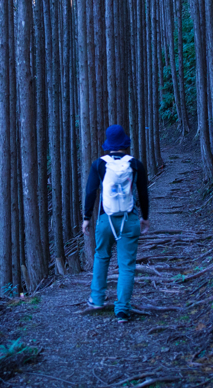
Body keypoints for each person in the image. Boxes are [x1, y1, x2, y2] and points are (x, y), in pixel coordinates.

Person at [83, 124, 150, 322]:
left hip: (106, 221)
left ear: (108, 144)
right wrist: (145, 218)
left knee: (102, 257)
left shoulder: (98, 164)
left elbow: (90, 193)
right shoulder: (136, 164)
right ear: (125, 144)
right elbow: (144, 194)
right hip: (129, 220)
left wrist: (86, 218)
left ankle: (97, 299)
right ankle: (122, 310)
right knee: (127, 265)